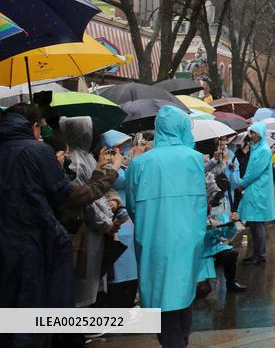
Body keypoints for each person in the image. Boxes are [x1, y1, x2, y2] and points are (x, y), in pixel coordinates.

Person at [0, 104, 120, 348]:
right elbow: (67, 196)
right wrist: (110, 174)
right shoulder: (38, 151)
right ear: (34, 126)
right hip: (35, 245)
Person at [125, 106, 207, 348]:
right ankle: (182, 339)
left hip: (153, 238)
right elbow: (201, 203)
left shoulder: (140, 163)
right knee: (183, 293)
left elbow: (131, 204)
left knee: (160, 297)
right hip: (188, 237)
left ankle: (173, 341)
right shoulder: (194, 158)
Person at [61, 116, 121, 309]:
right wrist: (105, 224)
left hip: (94, 229)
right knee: (84, 280)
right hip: (86, 230)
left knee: (92, 279)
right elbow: (86, 198)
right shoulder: (75, 162)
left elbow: (93, 189)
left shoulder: (85, 158)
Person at [98, 130, 139, 309]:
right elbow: (126, 181)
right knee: (118, 275)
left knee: (130, 275)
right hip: (117, 224)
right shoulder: (107, 167)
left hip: (129, 222)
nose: (122, 150)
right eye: (118, 147)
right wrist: (136, 160)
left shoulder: (122, 165)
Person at [236, 122, 274, 265]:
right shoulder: (257, 148)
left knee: (257, 223)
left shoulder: (263, 150)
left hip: (258, 190)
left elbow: (254, 172)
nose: (251, 136)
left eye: (253, 133)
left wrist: (242, 183)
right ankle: (257, 253)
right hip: (255, 189)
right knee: (253, 222)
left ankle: (260, 254)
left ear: (259, 134)